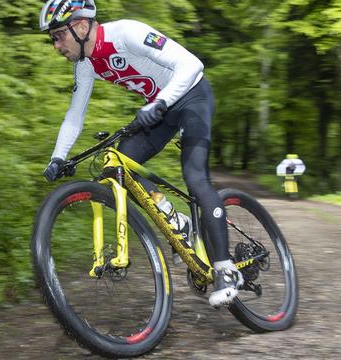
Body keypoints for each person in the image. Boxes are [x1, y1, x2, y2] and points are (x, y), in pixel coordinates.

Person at [38, 0, 243, 307]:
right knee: (120, 167)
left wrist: (159, 103)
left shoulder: (127, 33)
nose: (55, 45)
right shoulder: (85, 64)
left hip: (191, 96)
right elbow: (74, 115)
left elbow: (192, 65)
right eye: (52, 38)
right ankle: (180, 223)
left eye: (57, 36)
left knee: (195, 177)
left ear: (81, 26)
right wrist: (58, 156)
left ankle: (227, 269)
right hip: (159, 109)